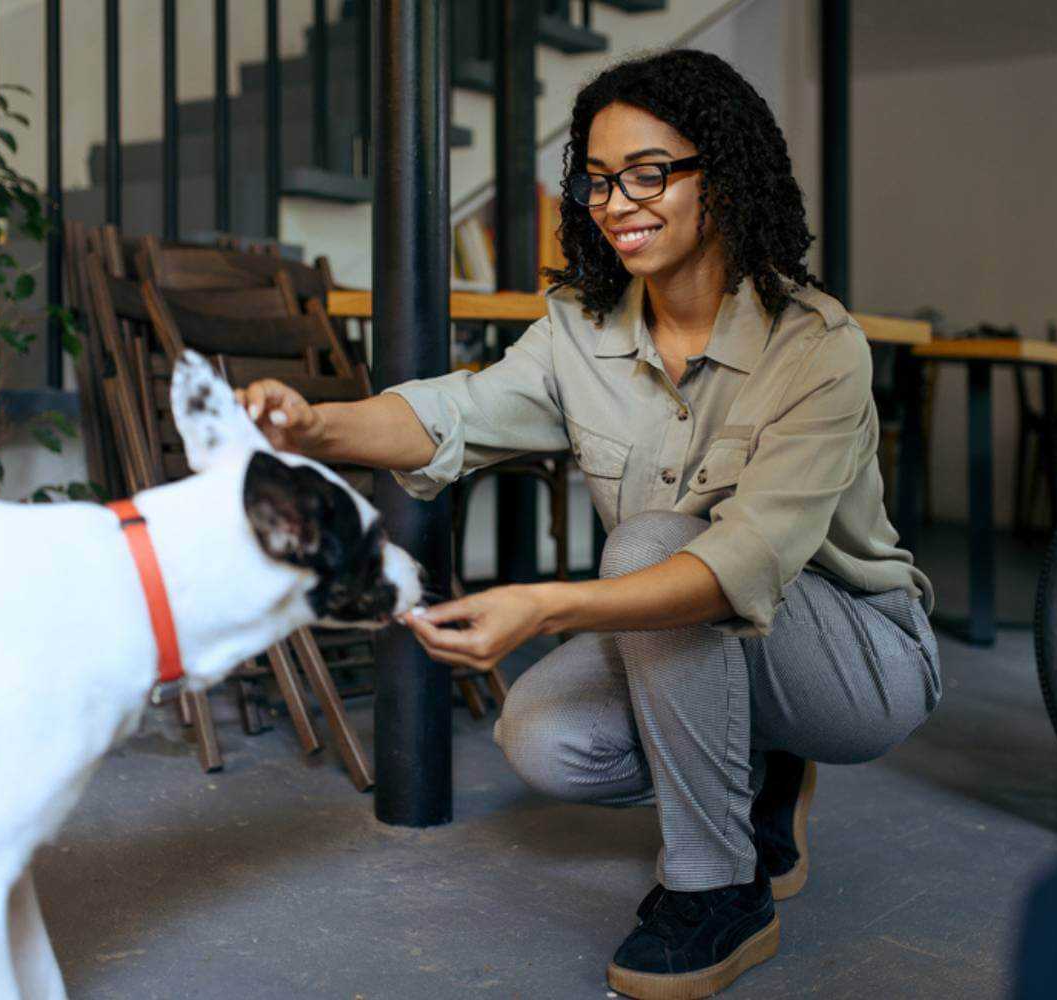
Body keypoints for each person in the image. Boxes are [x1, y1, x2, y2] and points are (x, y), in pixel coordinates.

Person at [238, 48, 940, 1000]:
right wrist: (314, 426)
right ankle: (758, 777)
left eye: (649, 172)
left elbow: (740, 559)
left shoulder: (816, 346)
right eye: (599, 179)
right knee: (544, 738)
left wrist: (544, 606)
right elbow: (454, 414)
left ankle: (717, 888)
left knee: (655, 543)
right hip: (695, 639)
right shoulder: (580, 329)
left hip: (854, 660)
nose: (617, 202)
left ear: (721, 176)